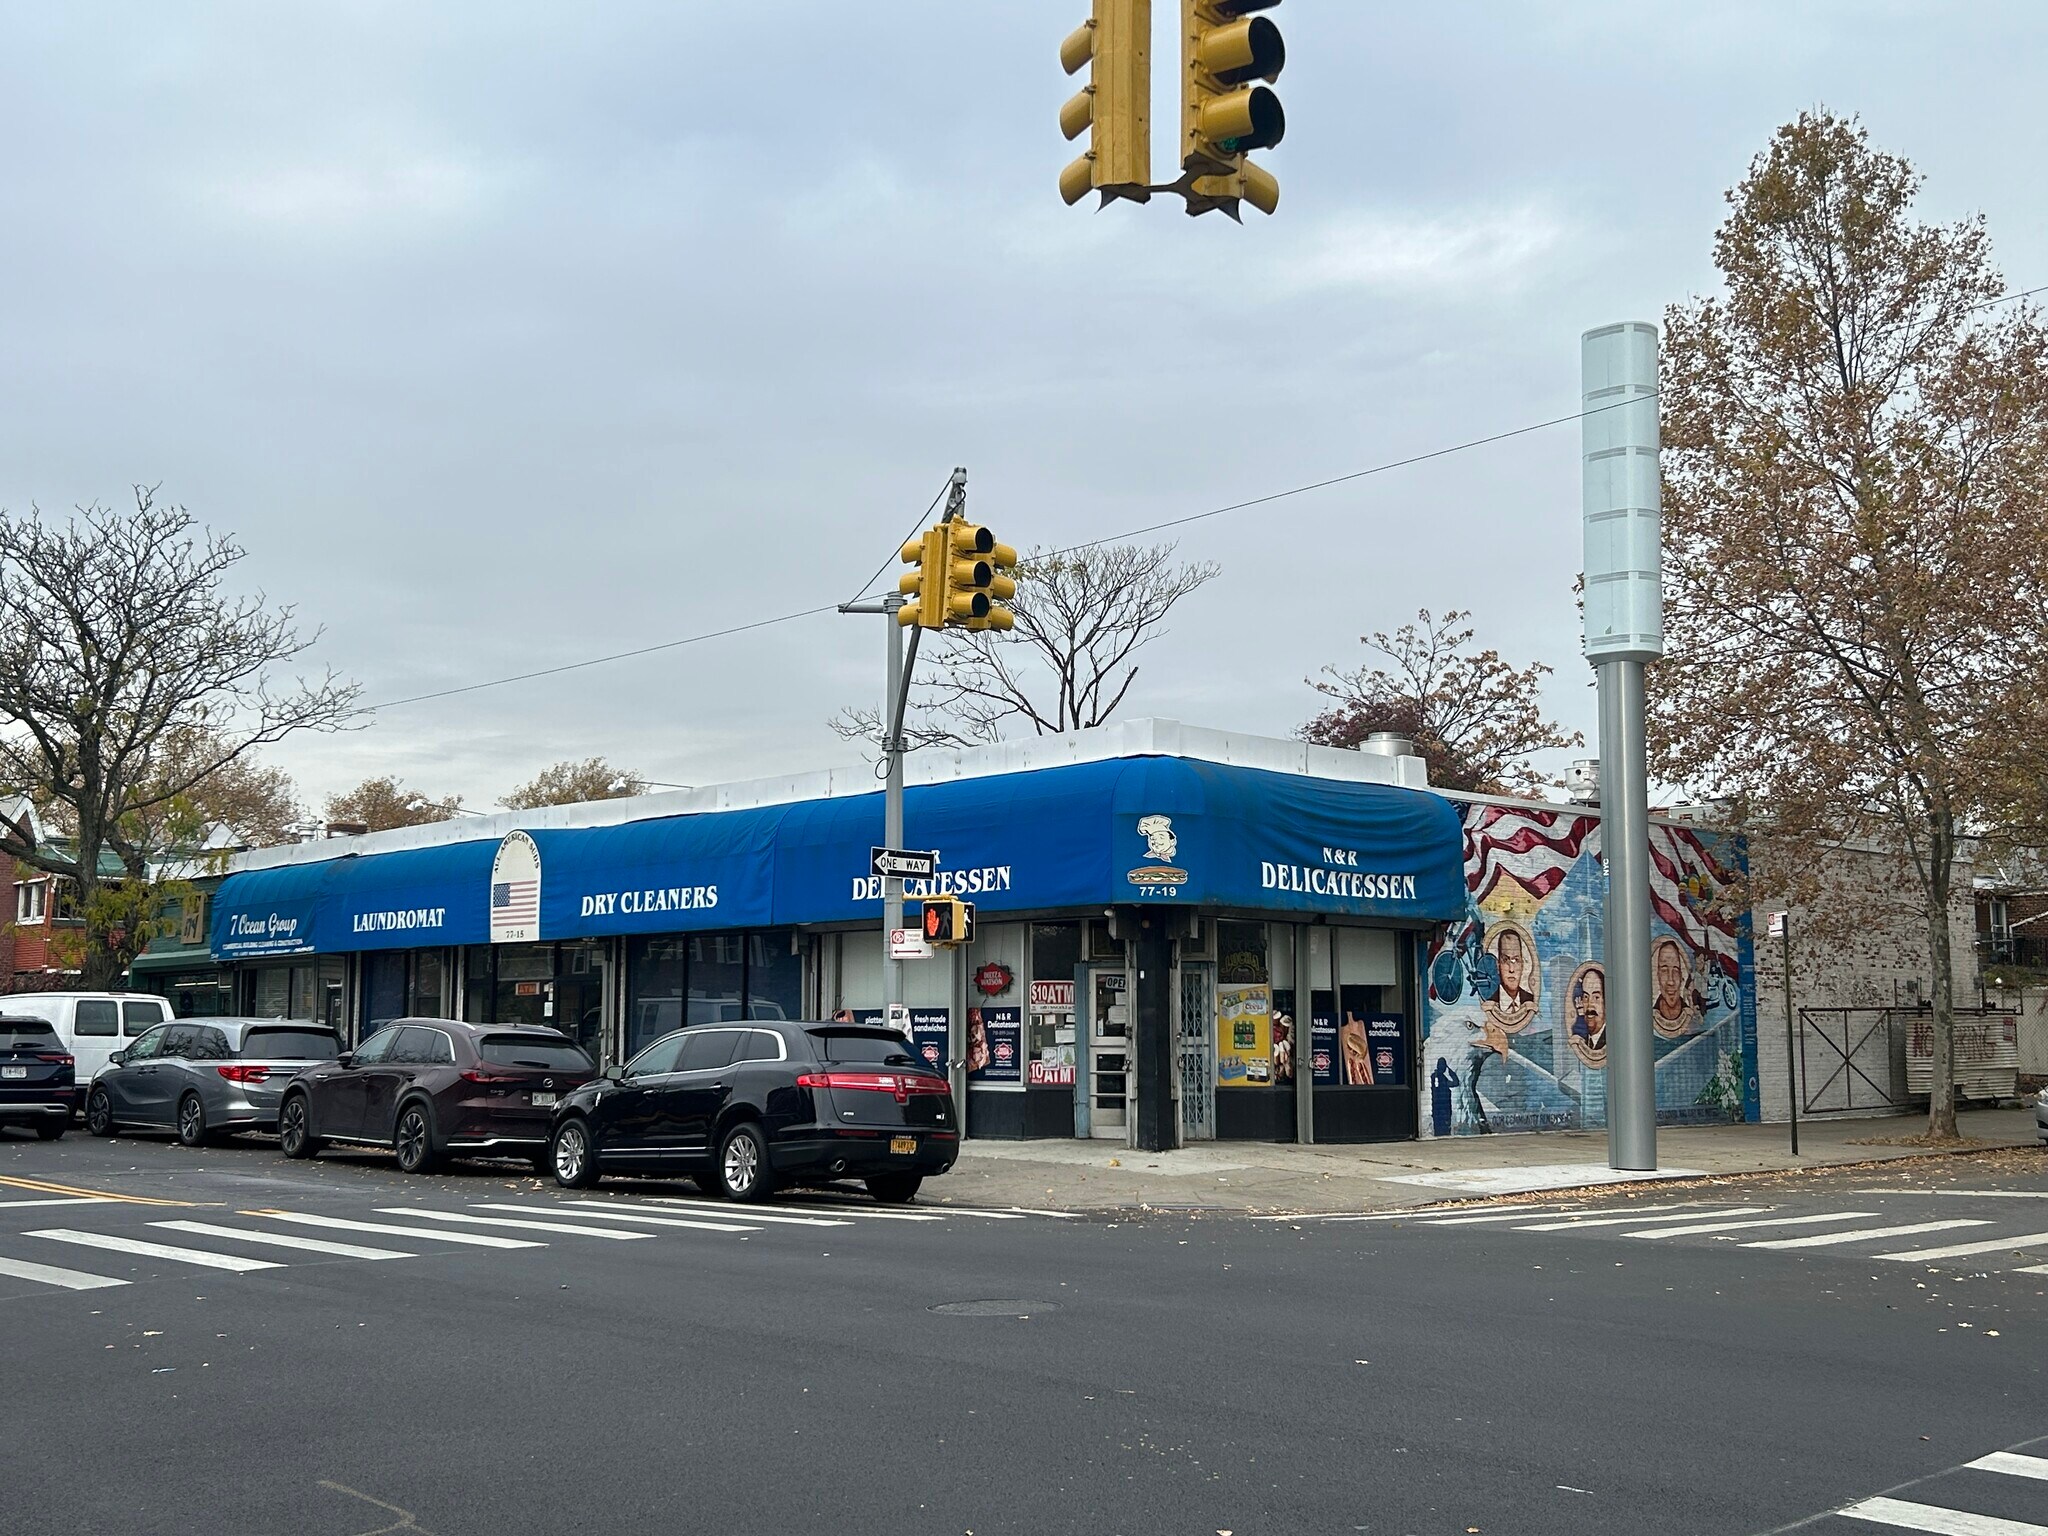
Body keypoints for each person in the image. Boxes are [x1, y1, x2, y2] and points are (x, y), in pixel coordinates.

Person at [1483, 924, 1539, 1033]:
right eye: (1505, 960)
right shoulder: (1490, 1001)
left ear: (1522, 965)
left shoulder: (1529, 999)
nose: (1511, 969)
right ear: (1498, 965)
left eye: (1516, 960)